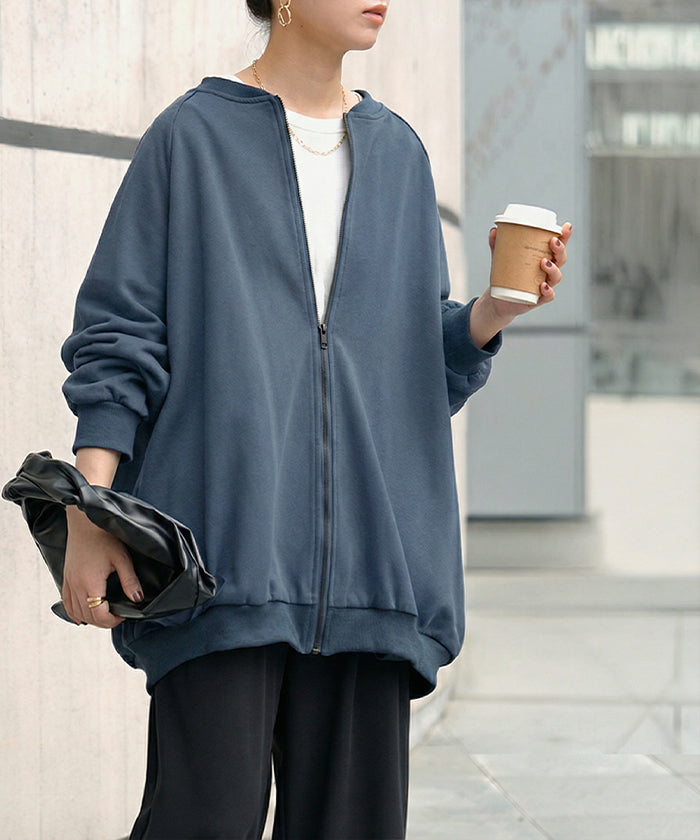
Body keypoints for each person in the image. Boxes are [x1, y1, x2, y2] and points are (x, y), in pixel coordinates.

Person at [60, 1, 572, 837]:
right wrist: (90, 507)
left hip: (375, 573)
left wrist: (488, 314)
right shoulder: (191, 139)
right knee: (201, 820)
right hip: (223, 567)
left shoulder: (399, 153)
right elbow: (119, 337)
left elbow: (407, 368)